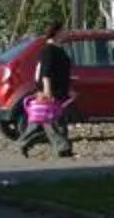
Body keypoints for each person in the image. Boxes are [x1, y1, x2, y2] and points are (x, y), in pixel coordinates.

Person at [21, 22, 76, 159]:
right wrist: (47, 91)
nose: (65, 33)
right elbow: (45, 73)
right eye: (63, 30)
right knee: (52, 121)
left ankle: (63, 148)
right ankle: (63, 149)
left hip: (60, 90)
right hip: (51, 91)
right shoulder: (48, 50)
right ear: (56, 32)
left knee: (53, 121)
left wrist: (69, 89)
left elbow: (62, 72)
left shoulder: (59, 49)